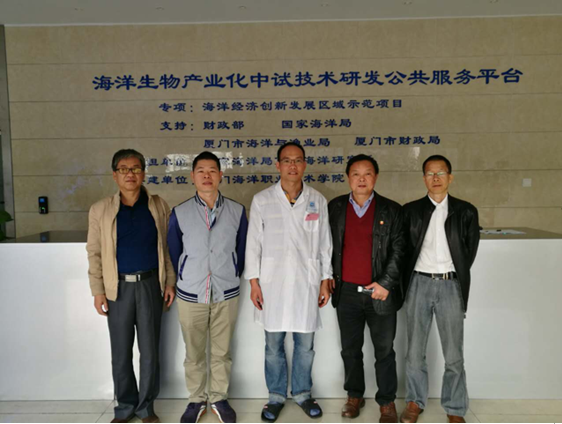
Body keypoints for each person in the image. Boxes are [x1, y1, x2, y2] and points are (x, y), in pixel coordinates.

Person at [244, 142, 333, 423]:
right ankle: (276, 396)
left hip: (307, 282)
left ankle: (303, 393)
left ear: (305, 164)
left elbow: (325, 244)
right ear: (278, 165)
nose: (292, 165)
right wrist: (254, 282)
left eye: (297, 160)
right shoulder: (262, 200)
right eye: (287, 160)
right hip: (272, 283)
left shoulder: (317, 200)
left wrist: (325, 279)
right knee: (273, 345)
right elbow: (253, 244)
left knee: (305, 345)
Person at [86, 149, 176, 424]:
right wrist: (98, 290)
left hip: (150, 286)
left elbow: (167, 248)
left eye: (135, 169)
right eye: (124, 169)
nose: (130, 174)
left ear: (143, 173)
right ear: (115, 175)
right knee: (121, 353)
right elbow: (94, 252)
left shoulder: (158, 205)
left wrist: (169, 281)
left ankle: (146, 408)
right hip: (118, 290)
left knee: (150, 352)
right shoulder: (100, 209)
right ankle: (125, 407)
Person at [167, 151, 248, 424]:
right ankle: (196, 399)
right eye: (201, 171)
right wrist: (188, 274)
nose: (206, 175)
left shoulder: (237, 211)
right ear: (192, 176)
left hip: (226, 291)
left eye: (212, 170)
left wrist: (229, 272)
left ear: (220, 175)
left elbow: (242, 250)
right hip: (191, 292)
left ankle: (219, 398)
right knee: (194, 353)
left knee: (222, 352)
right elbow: (174, 250)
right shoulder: (179, 213)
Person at [400, 155, 480, 424]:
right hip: (418, 284)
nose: (435, 178)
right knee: (414, 352)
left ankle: (455, 408)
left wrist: (451, 274)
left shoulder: (465, 211)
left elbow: (468, 252)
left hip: (450, 285)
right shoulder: (411, 211)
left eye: (441, 173)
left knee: (454, 354)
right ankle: (414, 402)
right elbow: (403, 250)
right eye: (430, 173)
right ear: (424, 178)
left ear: (450, 177)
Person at [328, 154, 404, 423]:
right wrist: (327, 276)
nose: (362, 179)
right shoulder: (336, 207)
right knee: (350, 349)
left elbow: (400, 250)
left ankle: (387, 401)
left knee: (384, 350)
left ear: (376, 177)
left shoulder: (392, 210)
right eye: (356, 174)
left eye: (367, 173)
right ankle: (354, 395)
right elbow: (326, 246)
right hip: (346, 292)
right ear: (348, 178)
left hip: (380, 293)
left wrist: (385, 283)